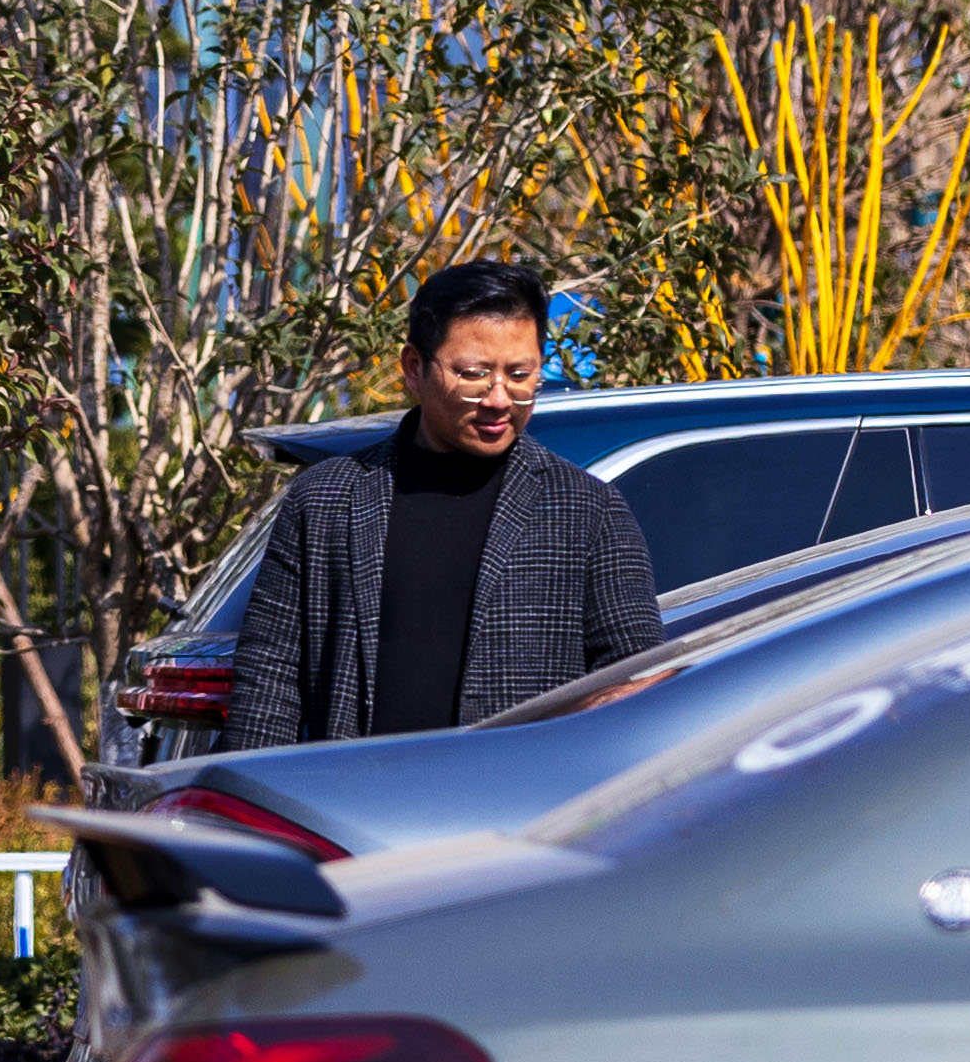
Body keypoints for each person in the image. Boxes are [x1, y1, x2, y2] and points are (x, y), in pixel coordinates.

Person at [219, 260, 660, 750]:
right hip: (352, 789)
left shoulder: (587, 510)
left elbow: (635, 684)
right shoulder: (326, 500)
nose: (499, 399)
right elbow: (269, 680)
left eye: (520, 375)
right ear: (414, 367)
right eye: (473, 374)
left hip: (520, 794)